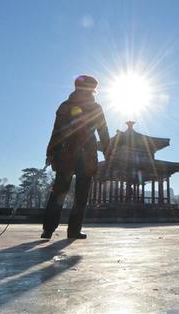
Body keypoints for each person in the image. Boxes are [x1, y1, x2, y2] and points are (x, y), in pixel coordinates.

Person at [41, 75, 110, 240]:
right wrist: (108, 153)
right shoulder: (95, 107)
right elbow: (103, 132)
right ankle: (73, 230)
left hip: (65, 153)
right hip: (86, 155)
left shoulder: (65, 106)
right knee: (81, 195)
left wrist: (50, 152)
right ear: (92, 90)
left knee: (58, 192)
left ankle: (48, 230)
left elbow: (56, 131)